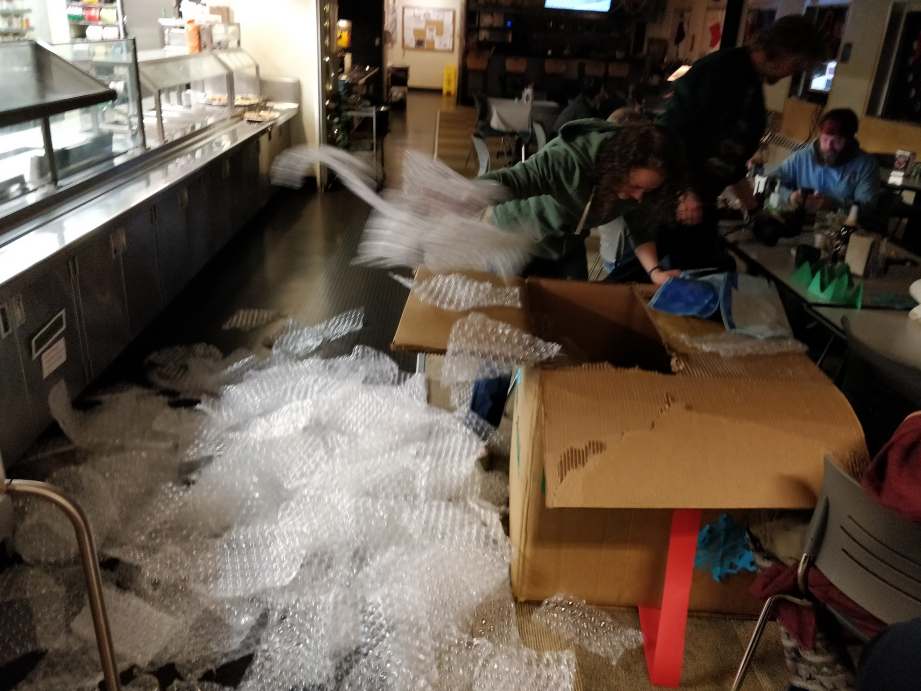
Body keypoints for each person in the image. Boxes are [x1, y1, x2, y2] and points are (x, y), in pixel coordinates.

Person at [653, 15, 827, 273]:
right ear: (784, 51)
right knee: (681, 280)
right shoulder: (718, 71)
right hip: (673, 203)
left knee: (716, 275)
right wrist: (684, 192)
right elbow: (667, 134)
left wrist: (754, 211)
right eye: (798, 65)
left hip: (700, 204)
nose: (793, 73)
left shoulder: (751, 86)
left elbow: (730, 162)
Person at [480, 119, 684, 284]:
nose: (639, 196)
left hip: (567, 242)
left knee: (570, 305)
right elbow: (513, 179)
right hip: (517, 236)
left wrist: (655, 272)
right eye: (635, 186)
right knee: (504, 309)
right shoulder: (570, 160)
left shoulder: (637, 191)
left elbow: (640, 229)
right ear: (618, 167)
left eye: (647, 191)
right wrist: (462, 193)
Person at [769, 108, 880, 221]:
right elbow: (770, 182)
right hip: (799, 222)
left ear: (849, 141)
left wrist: (833, 204)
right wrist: (790, 196)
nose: (828, 147)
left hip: (839, 227)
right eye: (825, 139)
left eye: (837, 141)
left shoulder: (866, 164)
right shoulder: (802, 157)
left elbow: (867, 207)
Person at [552, 79, 623, 134]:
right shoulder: (581, 108)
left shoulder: (586, 103)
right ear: (596, 95)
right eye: (603, 92)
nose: (606, 96)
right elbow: (593, 131)